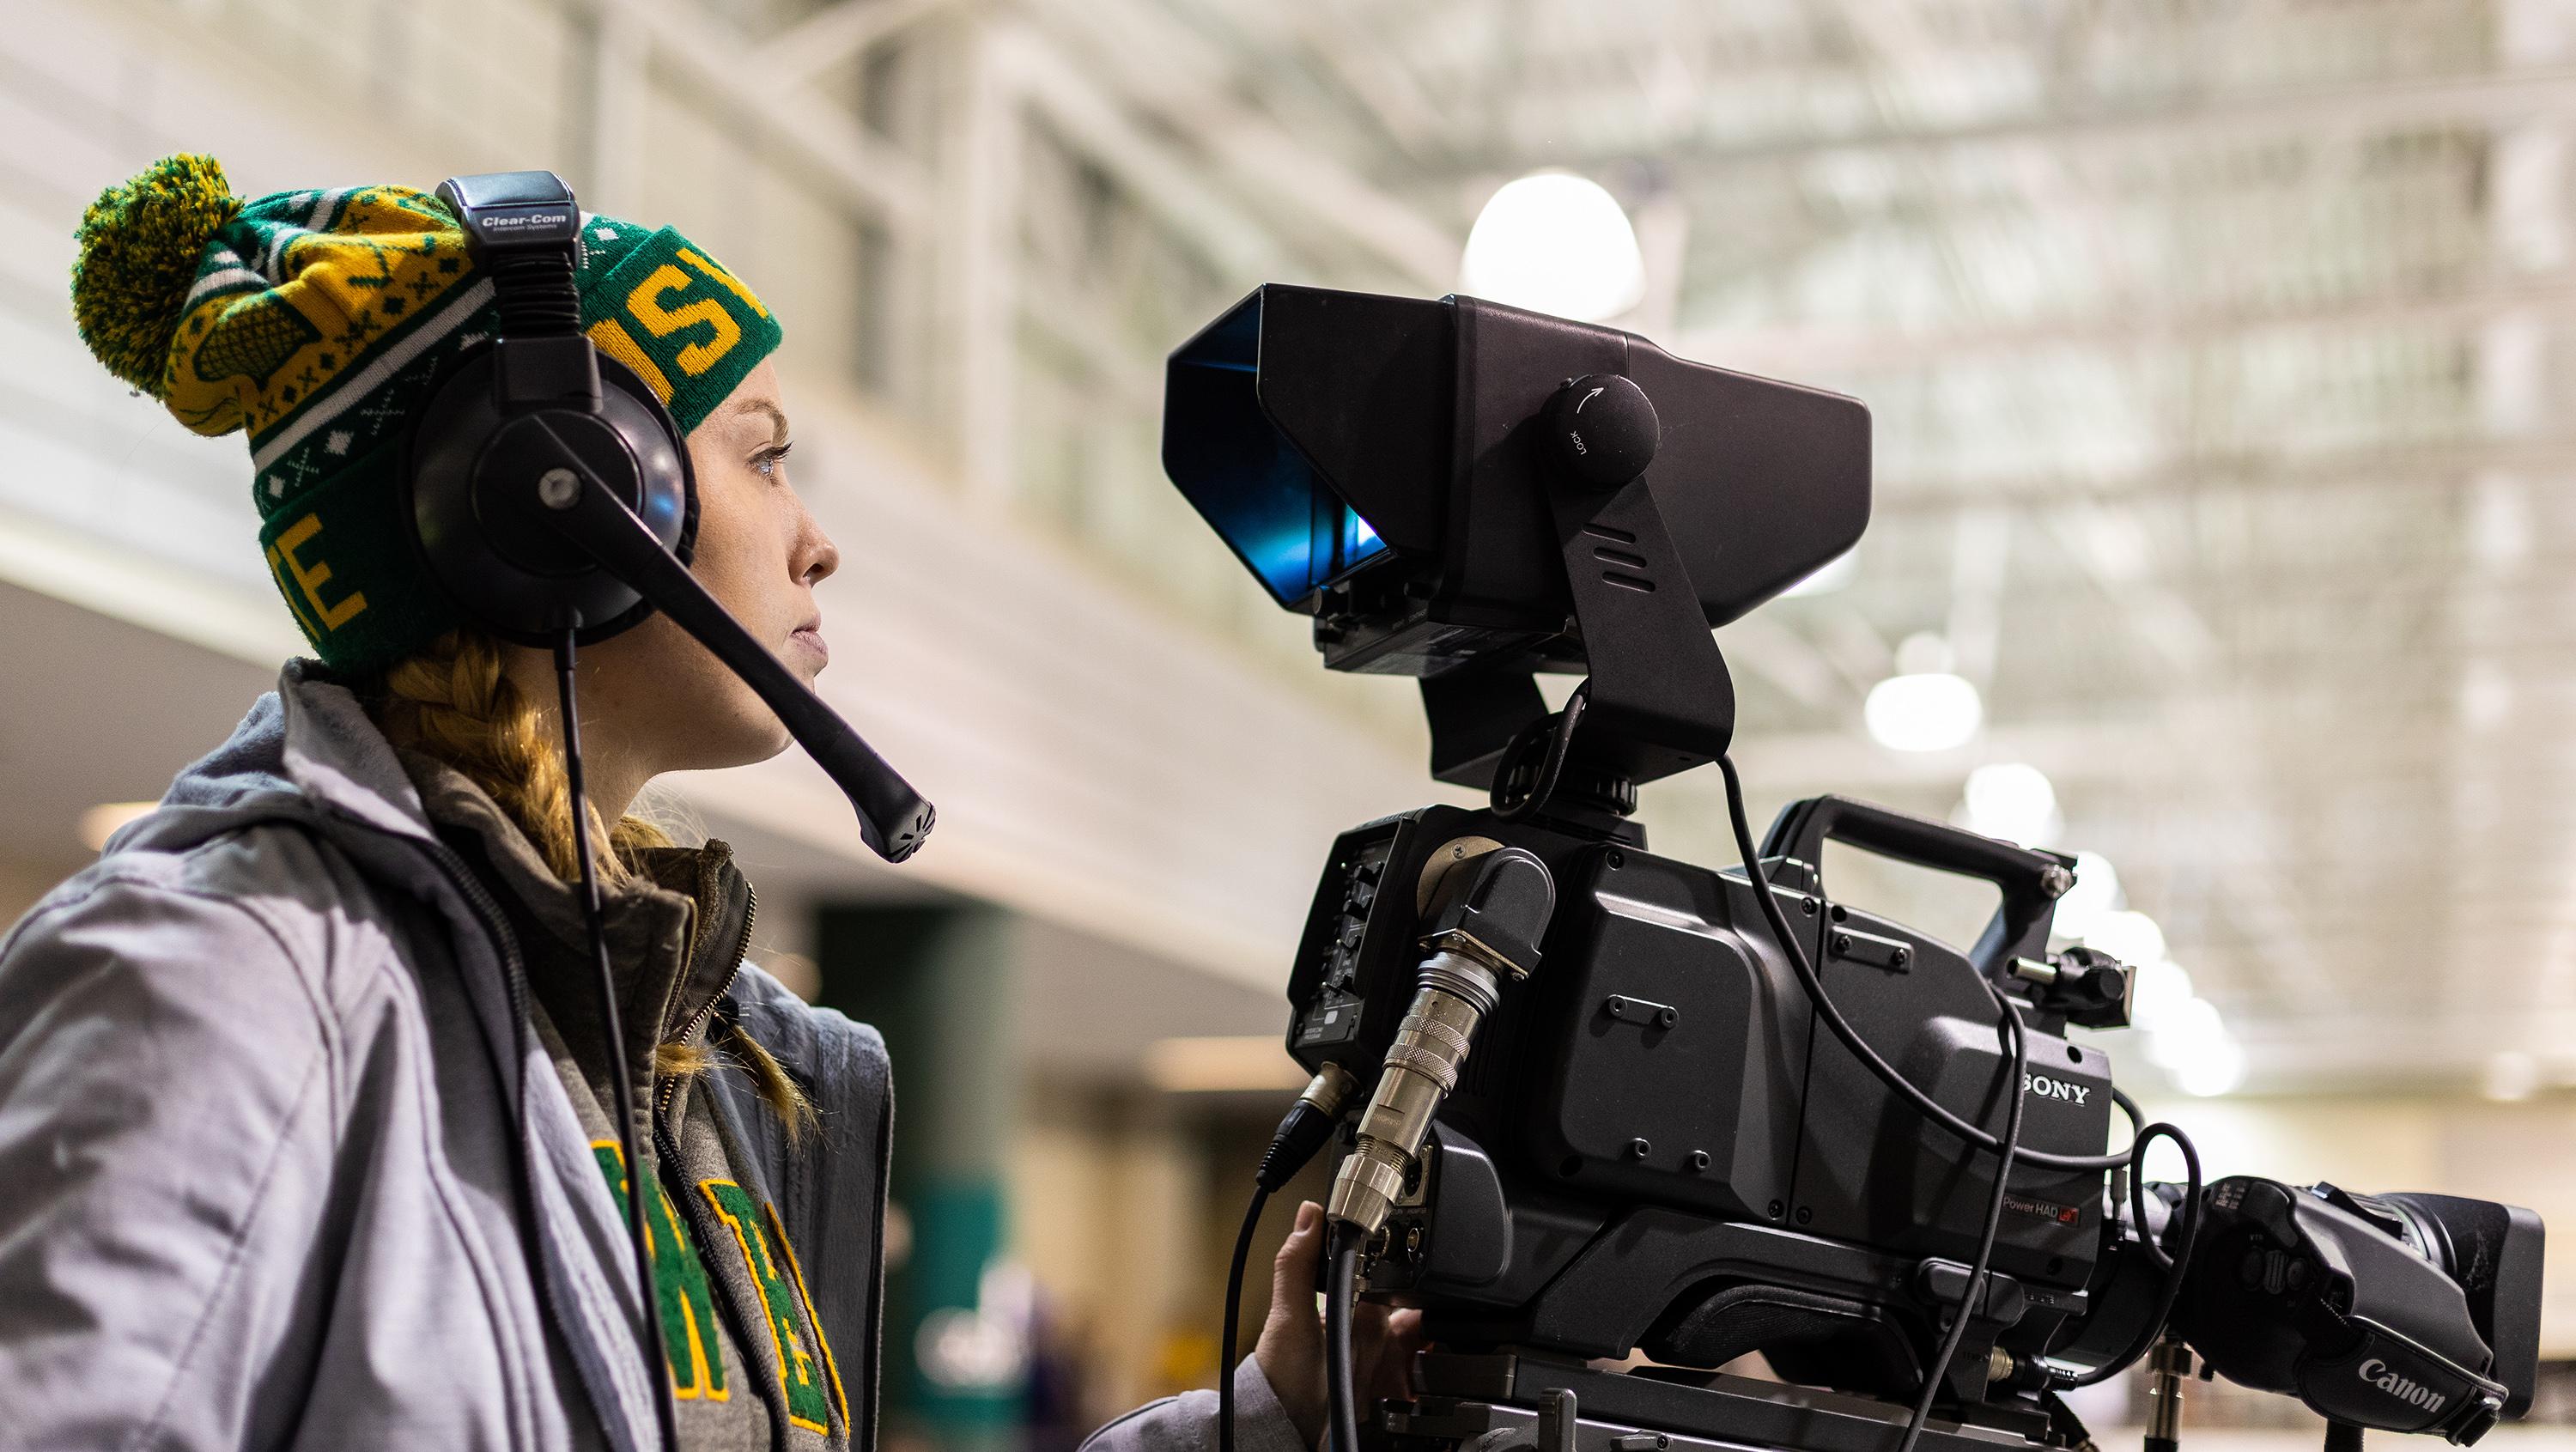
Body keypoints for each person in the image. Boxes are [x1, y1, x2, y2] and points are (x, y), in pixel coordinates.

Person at [0, 155, 1419, 1449]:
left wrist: (1268, 1421)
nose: (818, 543)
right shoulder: (221, 980)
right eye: (765, 451)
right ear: (562, 496)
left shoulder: (690, 1040)